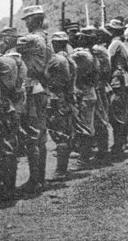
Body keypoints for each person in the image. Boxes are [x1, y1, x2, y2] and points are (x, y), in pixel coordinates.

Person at [16, 5, 53, 195]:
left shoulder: (32, 39)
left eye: (28, 20)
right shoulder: (46, 39)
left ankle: (35, 180)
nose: (26, 23)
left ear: (34, 20)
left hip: (32, 87)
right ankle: (40, 178)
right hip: (41, 86)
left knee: (33, 136)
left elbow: (10, 43)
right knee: (40, 136)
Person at [0, 27, 27, 201]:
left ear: (6, 40)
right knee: (9, 146)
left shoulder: (5, 61)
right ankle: (8, 187)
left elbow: (4, 87)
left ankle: (6, 189)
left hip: (5, 107)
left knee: (4, 149)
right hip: (15, 106)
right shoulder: (19, 59)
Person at [46, 32, 78, 180]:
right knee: (65, 131)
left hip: (57, 97)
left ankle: (61, 170)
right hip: (66, 96)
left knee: (59, 133)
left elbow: (46, 76)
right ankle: (62, 168)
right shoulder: (69, 58)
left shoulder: (56, 59)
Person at [71, 27, 100, 169]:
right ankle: (85, 158)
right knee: (87, 126)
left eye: (81, 37)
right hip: (89, 91)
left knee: (84, 127)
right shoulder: (92, 54)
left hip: (83, 93)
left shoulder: (81, 55)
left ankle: (83, 160)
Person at [106, 19, 128, 155]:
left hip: (118, 82)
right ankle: (121, 142)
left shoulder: (115, 44)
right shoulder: (122, 43)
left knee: (116, 114)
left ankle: (119, 144)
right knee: (123, 112)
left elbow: (107, 59)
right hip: (125, 80)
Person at [92, 27, 113, 161]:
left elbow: (103, 71)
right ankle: (101, 149)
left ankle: (103, 150)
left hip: (98, 87)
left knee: (100, 119)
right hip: (100, 86)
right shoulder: (101, 50)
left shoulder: (97, 51)